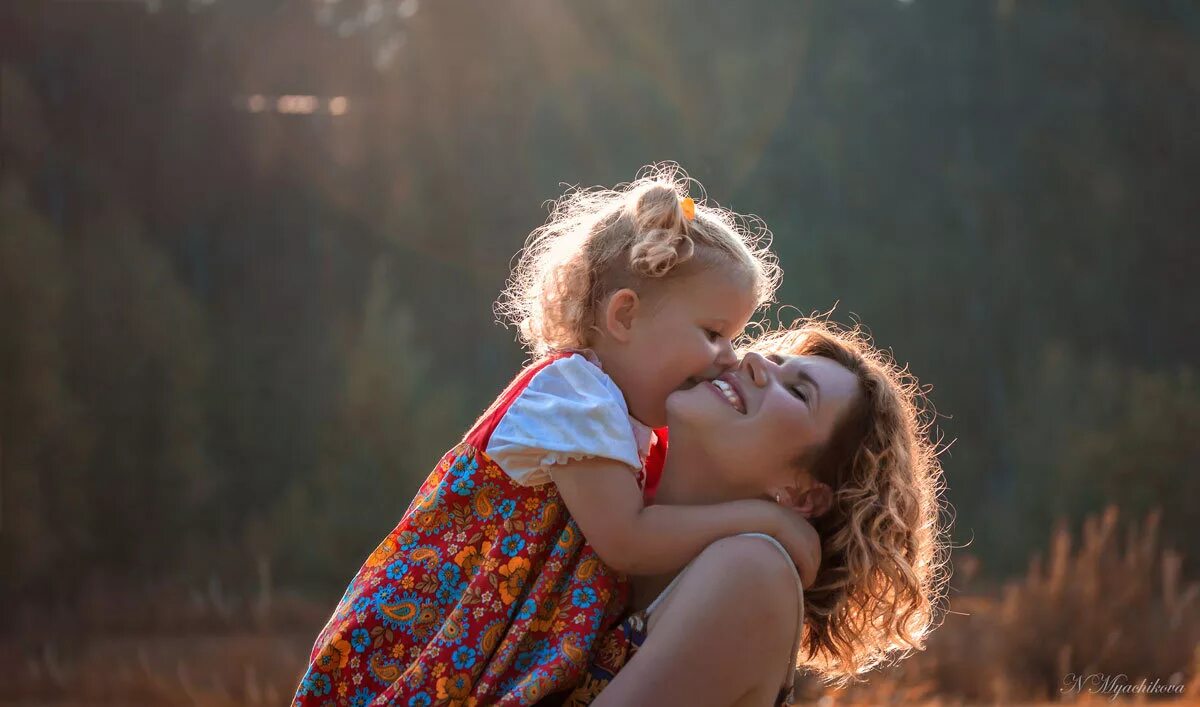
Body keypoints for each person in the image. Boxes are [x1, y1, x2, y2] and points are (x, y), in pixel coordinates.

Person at [292, 164, 824, 706]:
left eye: (733, 338)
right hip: (432, 637)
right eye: (713, 334)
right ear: (624, 315)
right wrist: (766, 519)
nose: (729, 358)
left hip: (491, 648)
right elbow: (628, 539)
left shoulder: (624, 423)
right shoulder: (576, 394)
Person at [557, 318, 948, 706]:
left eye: (798, 392)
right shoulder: (601, 502)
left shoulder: (755, 572)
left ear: (805, 496)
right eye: (773, 358)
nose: (754, 360)